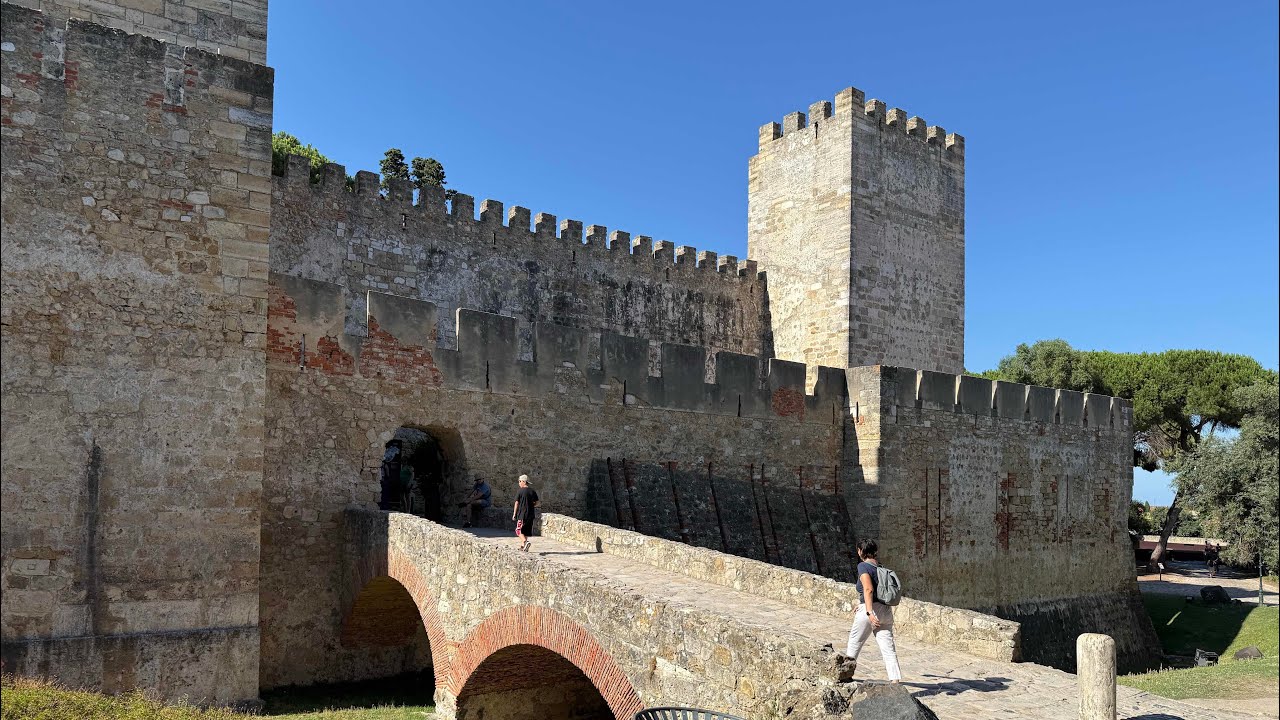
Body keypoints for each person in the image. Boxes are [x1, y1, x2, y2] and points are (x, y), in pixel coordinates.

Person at [843, 539, 902, 682]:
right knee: (888, 648)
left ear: (860, 551)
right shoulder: (880, 567)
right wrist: (860, 602)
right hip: (885, 611)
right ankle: (895, 680)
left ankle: (845, 675)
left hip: (871, 610)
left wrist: (868, 611)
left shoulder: (863, 566)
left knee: (855, 642)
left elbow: (869, 589)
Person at [512, 474, 540, 552]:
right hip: (531, 515)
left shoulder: (520, 491)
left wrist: (514, 514)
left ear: (523, 482)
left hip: (522, 515)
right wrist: (531, 505)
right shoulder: (532, 491)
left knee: (518, 530)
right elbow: (538, 503)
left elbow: (516, 503)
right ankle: (523, 547)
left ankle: (525, 542)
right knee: (525, 531)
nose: (519, 483)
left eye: (519, 481)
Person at [378, 440, 403, 510]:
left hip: (382, 479)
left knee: (384, 493)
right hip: (384, 479)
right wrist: (388, 477)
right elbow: (387, 472)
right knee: (384, 493)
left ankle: (383, 505)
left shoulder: (384, 463)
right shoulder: (385, 464)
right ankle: (384, 505)